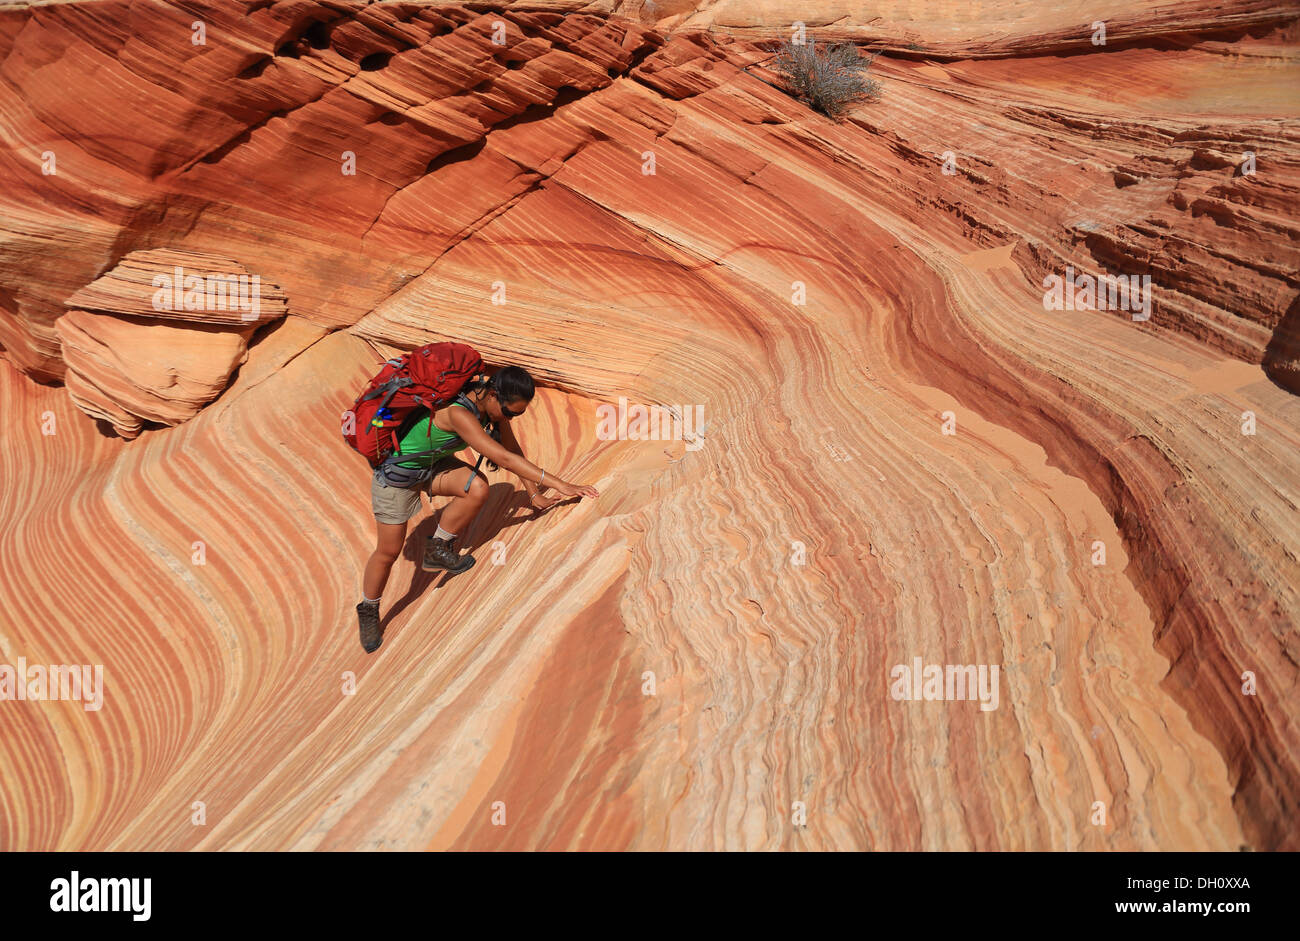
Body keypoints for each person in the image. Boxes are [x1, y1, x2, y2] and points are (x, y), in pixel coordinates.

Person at [356, 365, 599, 653]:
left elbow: (511, 449)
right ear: (494, 395)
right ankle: (368, 609)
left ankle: (437, 549)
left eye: (517, 415)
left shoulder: (490, 406)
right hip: (398, 476)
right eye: (510, 413)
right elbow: (501, 457)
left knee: (478, 488)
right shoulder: (459, 413)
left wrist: (534, 495)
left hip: (434, 467)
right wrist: (563, 485)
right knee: (388, 552)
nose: (510, 418)